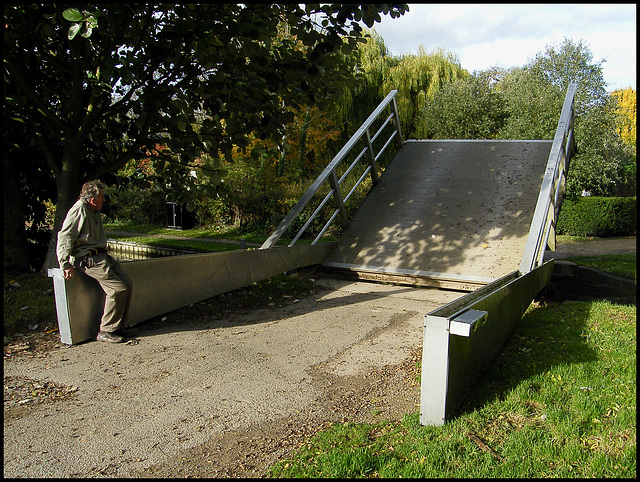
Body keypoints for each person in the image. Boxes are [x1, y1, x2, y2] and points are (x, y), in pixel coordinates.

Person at [56, 180, 133, 343]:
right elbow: (65, 236)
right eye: (102, 197)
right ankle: (106, 330)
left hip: (101, 256)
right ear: (92, 199)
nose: (104, 201)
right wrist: (65, 263)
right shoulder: (78, 210)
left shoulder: (92, 210)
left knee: (127, 283)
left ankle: (117, 327)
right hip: (88, 259)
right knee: (117, 289)